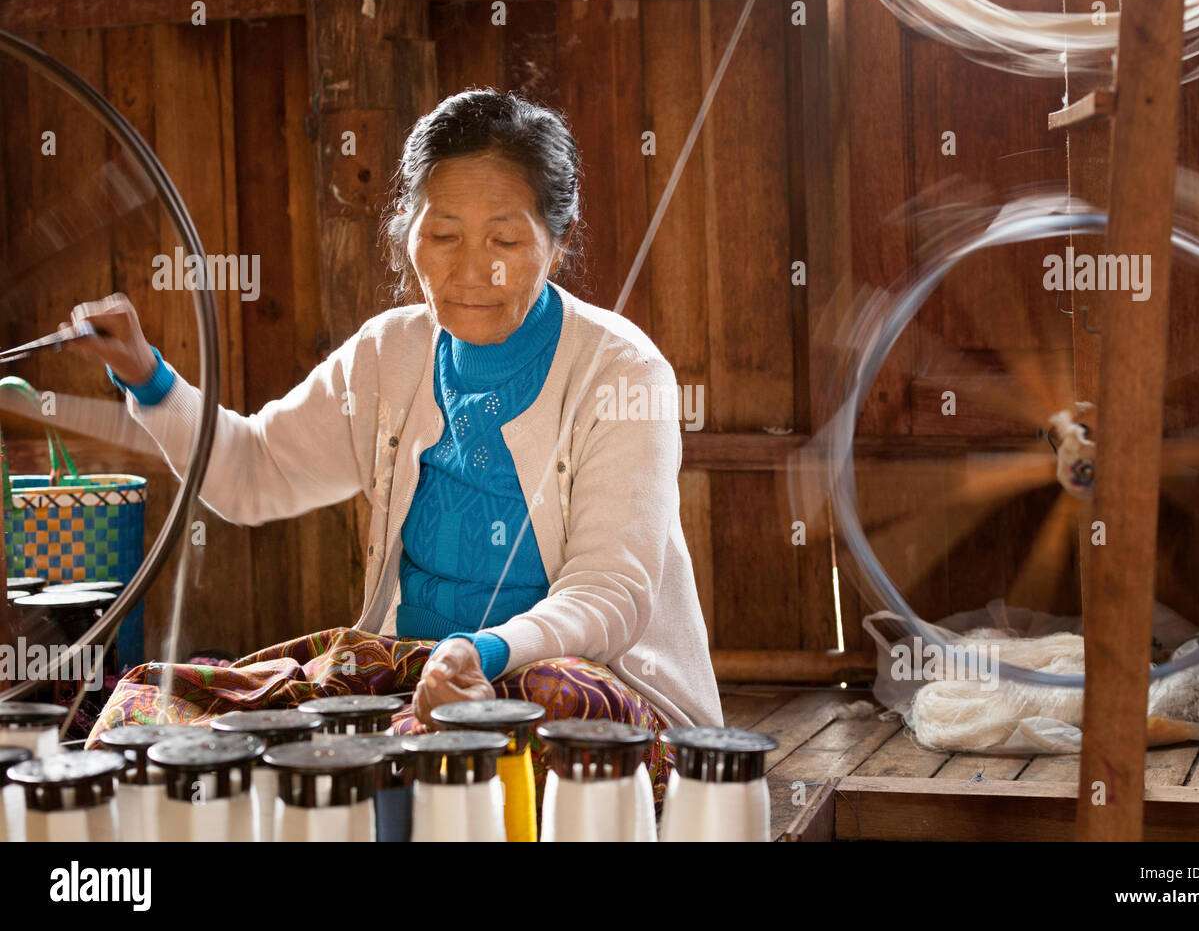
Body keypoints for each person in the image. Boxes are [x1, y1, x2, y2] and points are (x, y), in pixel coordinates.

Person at [70, 89, 723, 797]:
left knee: (522, 715)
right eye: (443, 235)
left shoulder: (622, 372)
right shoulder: (390, 354)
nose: (472, 270)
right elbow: (254, 472)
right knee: (153, 712)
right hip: (412, 676)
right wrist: (148, 376)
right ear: (407, 230)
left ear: (559, 242)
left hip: (582, 689)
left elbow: (610, 590)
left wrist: (482, 650)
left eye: (505, 241)